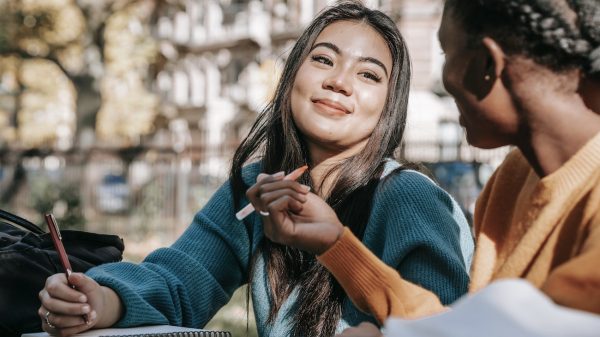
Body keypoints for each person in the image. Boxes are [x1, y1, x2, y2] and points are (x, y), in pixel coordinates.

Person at [37, 2, 474, 337]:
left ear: (389, 108)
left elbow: (445, 321)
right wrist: (101, 301)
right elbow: (181, 281)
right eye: (323, 60)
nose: (339, 81)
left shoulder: (408, 197)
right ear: (291, 78)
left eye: (369, 75)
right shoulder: (255, 186)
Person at [252, 0, 600, 335]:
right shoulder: (514, 178)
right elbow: (468, 328)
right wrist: (335, 244)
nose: (442, 75)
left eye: (446, 54)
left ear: (486, 66)